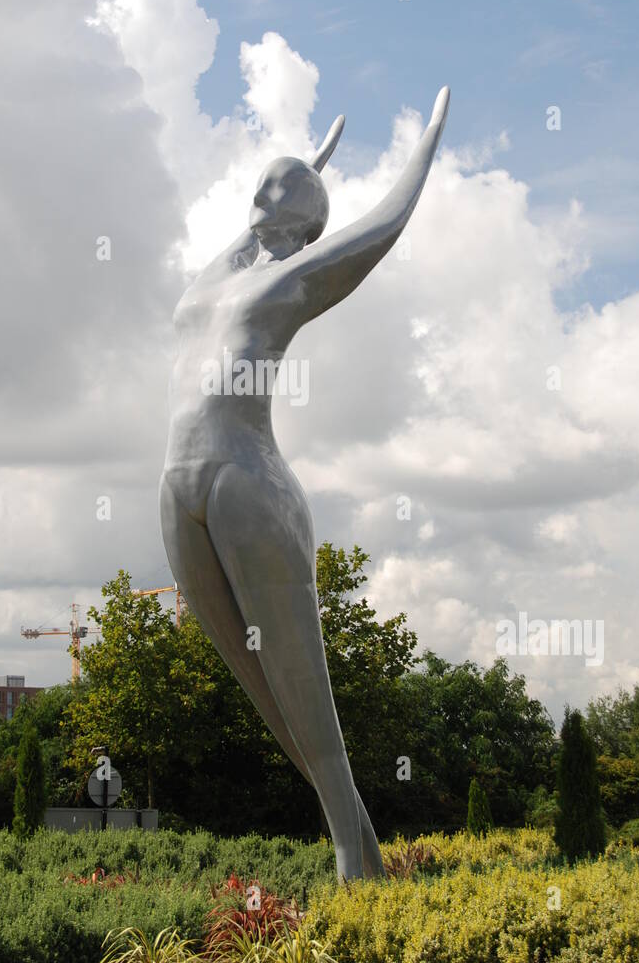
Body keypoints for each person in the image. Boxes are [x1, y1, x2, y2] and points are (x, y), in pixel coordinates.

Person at [160, 88, 450, 881]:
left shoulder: (294, 280)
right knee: (265, 693)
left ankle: (354, 860)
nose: (256, 197)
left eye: (274, 188)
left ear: (302, 220)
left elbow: (383, 224)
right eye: (259, 182)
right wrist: (304, 168)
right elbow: (246, 234)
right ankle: (364, 851)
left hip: (248, 481)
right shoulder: (211, 286)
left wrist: (424, 142)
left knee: (301, 689)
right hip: (175, 483)